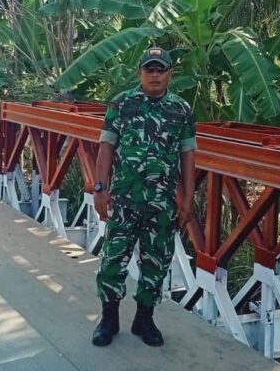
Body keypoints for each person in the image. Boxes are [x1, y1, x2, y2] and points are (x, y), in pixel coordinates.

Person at [91, 46, 197, 348]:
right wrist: (100, 189)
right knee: (113, 259)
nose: (155, 75)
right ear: (140, 72)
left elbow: (188, 154)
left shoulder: (181, 110)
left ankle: (144, 319)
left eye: (160, 69)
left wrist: (188, 197)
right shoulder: (122, 104)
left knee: (156, 262)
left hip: (162, 201)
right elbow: (106, 147)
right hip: (125, 199)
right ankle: (109, 319)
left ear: (169, 74)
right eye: (149, 69)